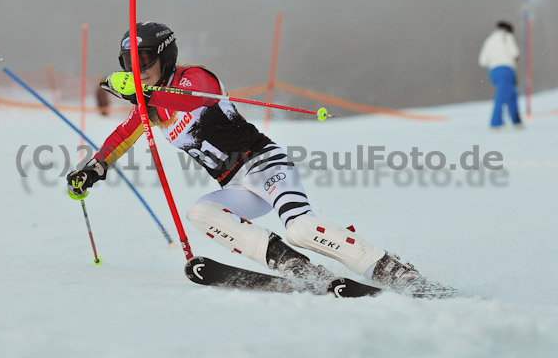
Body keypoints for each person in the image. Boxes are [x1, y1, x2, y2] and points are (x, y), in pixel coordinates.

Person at [66, 22, 438, 293]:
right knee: (200, 212)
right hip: (236, 185)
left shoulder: (192, 79)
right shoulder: (148, 107)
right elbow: (119, 138)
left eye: (144, 59)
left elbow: (202, 99)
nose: (138, 68)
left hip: (262, 163)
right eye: (129, 62)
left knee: (300, 227)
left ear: (165, 56)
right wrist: (94, 168)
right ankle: (290, 263)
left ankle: (390, 269)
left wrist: (142, 95)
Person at [478, 20, 522, 129]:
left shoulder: (488, 40)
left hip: (494, 71)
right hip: (506, 69)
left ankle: (516, 121)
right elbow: (515, 53)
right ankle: (496, 123)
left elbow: (482, 61)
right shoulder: (507, 37)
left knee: (511, 94)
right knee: (502, 96)